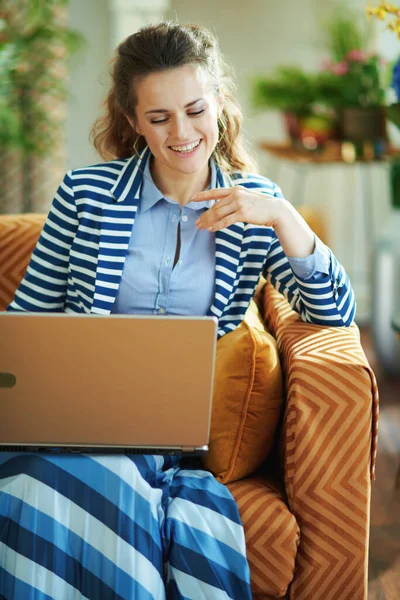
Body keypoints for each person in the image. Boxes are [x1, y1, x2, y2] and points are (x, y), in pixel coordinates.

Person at [0, 21, 356, 600]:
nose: (182, 132)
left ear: (218, 102)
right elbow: (24, 323)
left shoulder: (252, 206)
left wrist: (285, 220)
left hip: (168, 436)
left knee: (105, 477)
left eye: (194, 110)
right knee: (52, 480)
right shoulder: (85, 195)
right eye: (159, 118)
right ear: (134, 121)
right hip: (72, 422)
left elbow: (336, 312)